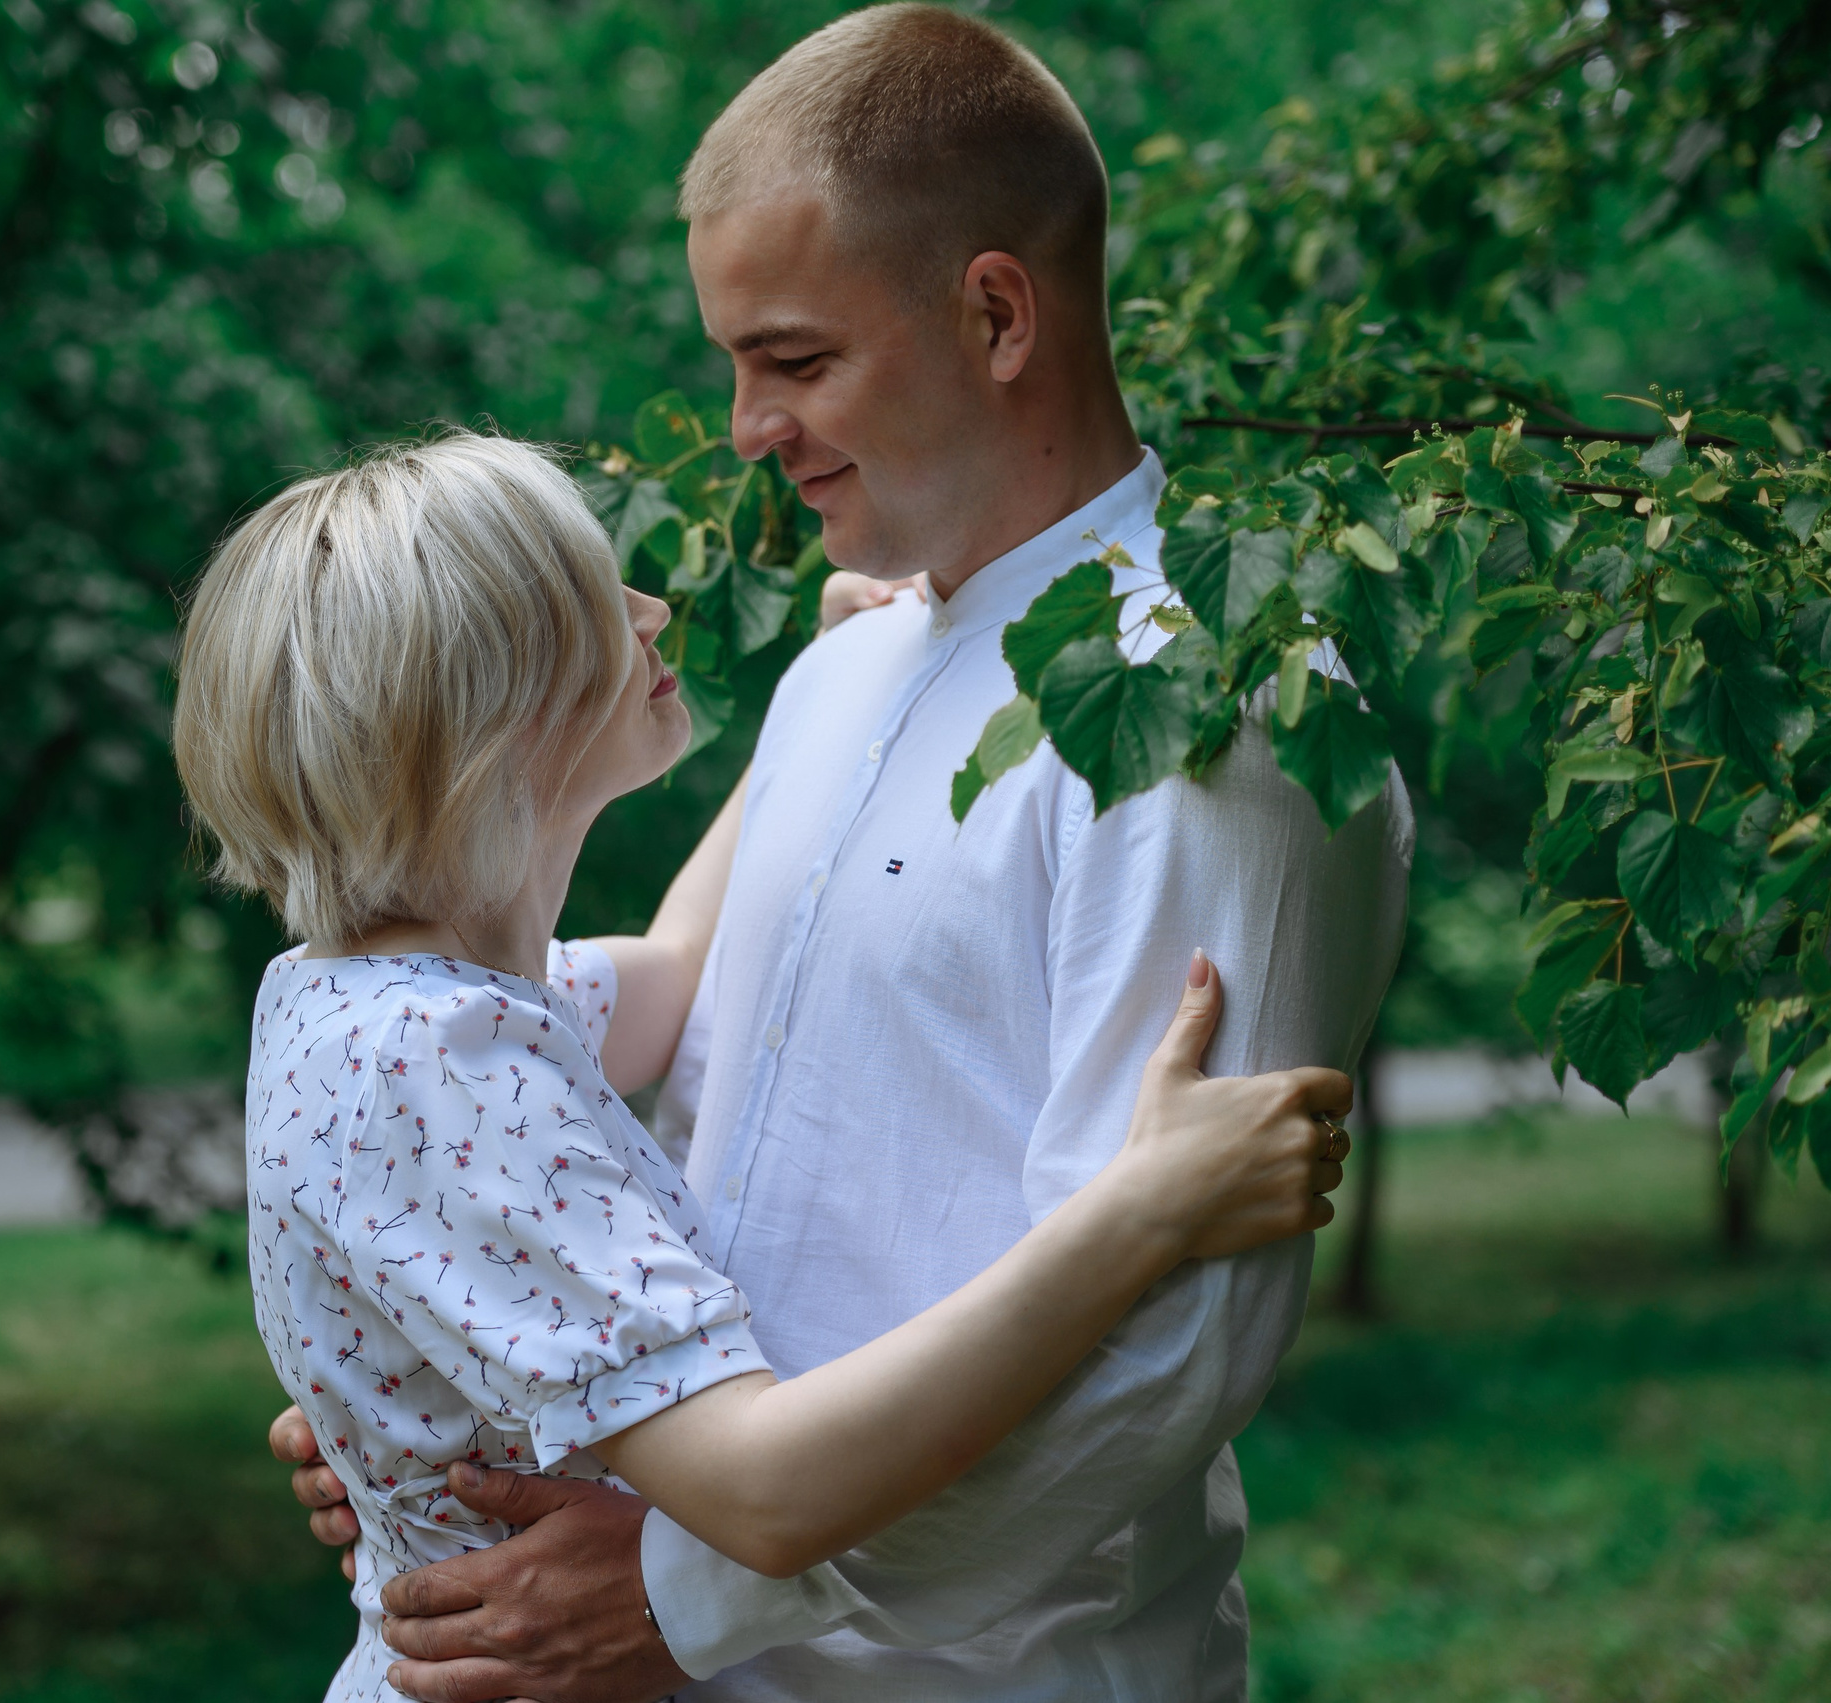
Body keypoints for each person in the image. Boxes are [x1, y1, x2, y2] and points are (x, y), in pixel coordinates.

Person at [271, 8, 1416, 1702]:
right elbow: (659, 1114)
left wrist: (687, 1593)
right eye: (735, 362)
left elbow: (1167, 1351)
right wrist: (438, 1390)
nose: (744, 424)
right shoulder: (838, 670)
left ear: (997, 313)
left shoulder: (1206, 711)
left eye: (795, 362)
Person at [178, 430, 1353, 1703]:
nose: (652, 610)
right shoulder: (438, 1061)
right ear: (494, 717)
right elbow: (768, 1489)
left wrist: (841, 699)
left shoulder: (365, 1002)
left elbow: (684, 963)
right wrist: (1143, 1205)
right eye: (597, 602)